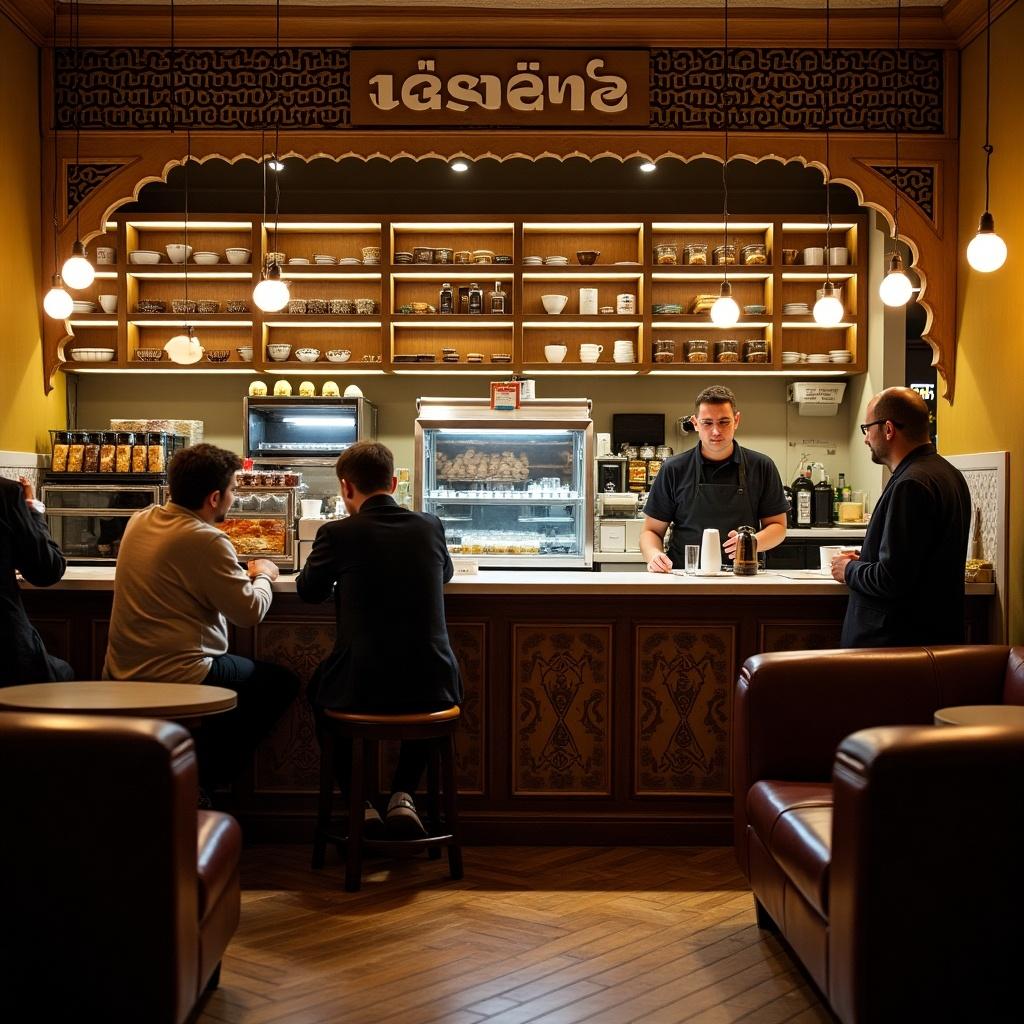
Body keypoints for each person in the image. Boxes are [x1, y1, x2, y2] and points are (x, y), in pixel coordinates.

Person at [103, 443, 298, 796]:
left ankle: (188, 781)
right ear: (214, 498)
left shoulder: (140, 519)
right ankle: (203, 782)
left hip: (121, 668)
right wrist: (266, 574)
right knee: (280, 683)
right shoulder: (206, 540)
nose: (234, 498)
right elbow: (249, 612)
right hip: (178, 673)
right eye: (233, 490)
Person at [296, 441, 462, 838]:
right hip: (435, 683)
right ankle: (403, 794)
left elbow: (308, 591)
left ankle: (362, 803)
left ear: (345, 488)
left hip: (359, 685)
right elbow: (445, 576)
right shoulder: (430, 525)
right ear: (392, 482)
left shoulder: (336, 533)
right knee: (423, 688)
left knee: (318, 693)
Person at [832, 386, 971, 648]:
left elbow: (892, 579)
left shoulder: (911, 484)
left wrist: (849, 570)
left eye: (867, 429)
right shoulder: (949, 474)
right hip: (934, 637)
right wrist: (868, 559)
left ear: (887, 429)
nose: (865, 439)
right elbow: (918, 563)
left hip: (897, 646)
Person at [641, 385, 789, 572]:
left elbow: (778, 527)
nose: (716, 431)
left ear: (736, 420)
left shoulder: (761, 466)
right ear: (695, 423)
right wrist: (654, 554)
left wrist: (751, 543)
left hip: (744, 576)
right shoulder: (674, 469)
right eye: (707, 423)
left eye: (724, 422)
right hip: (684, 577)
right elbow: (651, 531)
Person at [0, 475, 73, 685]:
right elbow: (47, 570)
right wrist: (32, 510)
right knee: (64, 672)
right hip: (9, 654)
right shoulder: (7, 493)